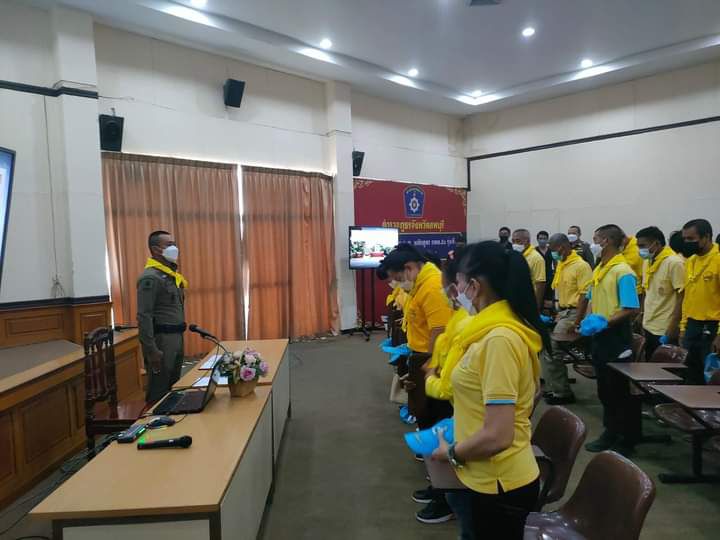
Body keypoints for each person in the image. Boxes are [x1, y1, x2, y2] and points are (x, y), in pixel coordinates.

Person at [432, 241, 547, 539]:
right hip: (484, 471)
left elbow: (498, 435)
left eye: (458, 282)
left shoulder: (499, 340)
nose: (455, 291)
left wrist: (451, 453)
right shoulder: (487, 331)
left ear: (474, 286)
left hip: (499, 482)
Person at [381, 244, 454, 523]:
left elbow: (440, 330)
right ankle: (438, 485)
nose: (396, 284)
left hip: (431, 362)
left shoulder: (432, 285)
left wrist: (432, 366)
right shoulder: (419, 285)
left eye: (397, 278)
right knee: (426, 422)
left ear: (409, 268)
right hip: (422, 358)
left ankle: (447, 496)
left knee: (437, 427)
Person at [412, 249, 472, 518]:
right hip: (450, 396)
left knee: (443, 447)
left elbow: (453, 383)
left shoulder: (478, 327)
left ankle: (447, 498)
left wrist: (429, 379)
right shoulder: (462, 317)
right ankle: (442, 492)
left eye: (449, 287)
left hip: (457, 403)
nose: (447, 294)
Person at [577, 224, 640, 455]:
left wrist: (605, 322)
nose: (592, 244)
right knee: (604, 388)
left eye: (596, 239)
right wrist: (587, 320)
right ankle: (610, 431)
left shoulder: (623, 271)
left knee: (618, 389)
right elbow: (592, 298)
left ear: (606, 241)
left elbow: (631, 308)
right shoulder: (600, 268)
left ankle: (626, 438)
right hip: (600, 335)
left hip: (616, 336)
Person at [137, 230, 187, 403]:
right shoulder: (150, 278)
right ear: (156, 249)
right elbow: (144, 316)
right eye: (169, 244)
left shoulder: (170, 275)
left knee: (173, 386)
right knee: (158, 390)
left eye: (174, 244)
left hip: (176, 337)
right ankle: (154, 419)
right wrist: (151, 349)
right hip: (161, 340)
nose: (175, 248)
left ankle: (170, 417)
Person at [545, 233, 593, 404]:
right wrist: (557, 311)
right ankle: (553, 388)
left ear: (562, 248)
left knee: (553, 349)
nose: (551, 253)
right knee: (546, 347)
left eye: (552, 249)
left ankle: (563, 393)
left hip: (574, 314)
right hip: (563, 312)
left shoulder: (581, 266)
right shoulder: (562, 264)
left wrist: (578, 321)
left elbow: (585, 296)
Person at [678, 219, 720, 384]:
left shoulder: (717, 260)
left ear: (706, 237)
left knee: (710, 380)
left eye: (691, 239)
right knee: (690, 375)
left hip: (712, 328)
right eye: (685, 239)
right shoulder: (691, 261)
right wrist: (683, 327)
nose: (687, 243)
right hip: (692, 326)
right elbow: (687, 297)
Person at [636, 226, 685, 358]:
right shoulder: (647, 262)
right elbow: (646, 291)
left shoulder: (674, 263)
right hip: (649, 324)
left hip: (665, 327)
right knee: (649, 363)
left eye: (642, 246)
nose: (640, 250)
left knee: (664, 367)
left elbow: (682, 296)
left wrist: (673, 327)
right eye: (638, 246)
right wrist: (642, 314)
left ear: (656, 243)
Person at [512, 229, 546, 309]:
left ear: (527, 240)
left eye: (518, 241)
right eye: (513, 241)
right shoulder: (515, 255)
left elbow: (540, 284)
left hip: (529, 302)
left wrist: (536, 307)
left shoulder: (536, 258)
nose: (514, 244)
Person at [536, 230, 555, 307]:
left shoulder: (552, 250)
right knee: (538, 299)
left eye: (544, 238)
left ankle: (548, 312)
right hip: (538, 278)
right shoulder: (534, 251)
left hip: (549, 278)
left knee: (548, 302)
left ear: (547, 240)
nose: (542, 240)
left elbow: (556, 263)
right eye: (540, 238)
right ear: (537, 239)